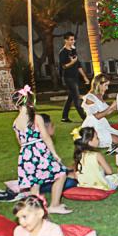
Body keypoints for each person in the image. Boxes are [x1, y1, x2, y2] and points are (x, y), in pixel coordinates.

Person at [12, 86, 71, 214]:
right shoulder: (36, 118)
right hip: (39, 151)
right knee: (61, 174)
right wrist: (54, 153)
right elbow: (46, 137)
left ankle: (34, 210)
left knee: (35, 183)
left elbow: (20, 142)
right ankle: (54, 205)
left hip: (26, 154)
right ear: (30, 101)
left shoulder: (15, 122)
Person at [82, 75, 118, 148]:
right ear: (99, 85)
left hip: (102, 123)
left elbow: (106, 112)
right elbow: (97, 116)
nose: (107, 88)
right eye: (105, 85)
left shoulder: (99, 95)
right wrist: (111, 107)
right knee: (117, 139)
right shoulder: (90, 97)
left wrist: (114, 108)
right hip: (93, 125)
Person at [58, 32, 89, 122]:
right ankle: (85, 119)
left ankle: (64, 117)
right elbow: (63, 66)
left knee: (70, 98)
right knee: (77, 99)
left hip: (75, 77)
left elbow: (78, 65)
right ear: (66, 40)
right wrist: (72, 62)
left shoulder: (73, 51)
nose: (73, 41)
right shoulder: (62, 52)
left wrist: (84, 77)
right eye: (71, 40)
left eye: (73, 39)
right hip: (69, 78)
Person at [0, 45, 15, 111]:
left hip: (7, 77)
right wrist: (3, 68)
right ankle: (4, 107)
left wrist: (5, 58)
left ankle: (11, 106)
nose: (2, 51)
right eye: (0, 50)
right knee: (2, 92)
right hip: (0, 78)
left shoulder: (6, 57)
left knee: (9, 91)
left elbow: (8, 66)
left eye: (2, 50)